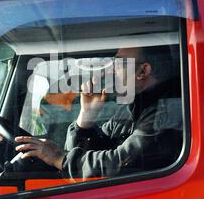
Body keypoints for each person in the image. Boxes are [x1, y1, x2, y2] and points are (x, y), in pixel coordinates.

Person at [14, 45, 183, 178]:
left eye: (118, 63)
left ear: (143, 71)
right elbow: (95, 154)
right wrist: (86, 118)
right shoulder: (130, 110)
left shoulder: (167, 112)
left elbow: (121, 163)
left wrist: (59, 158)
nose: (110, 70)